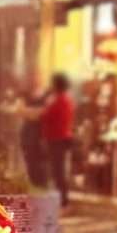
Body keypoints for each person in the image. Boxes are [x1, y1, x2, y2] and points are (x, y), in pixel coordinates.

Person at [41, 73, 76, 206]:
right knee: (58, 169)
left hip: (56, 138)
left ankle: (62, 199)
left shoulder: (58, 101)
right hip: (61, 137)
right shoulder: (66, 100)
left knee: (58, 170)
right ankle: (61, 198)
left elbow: (47, 116)